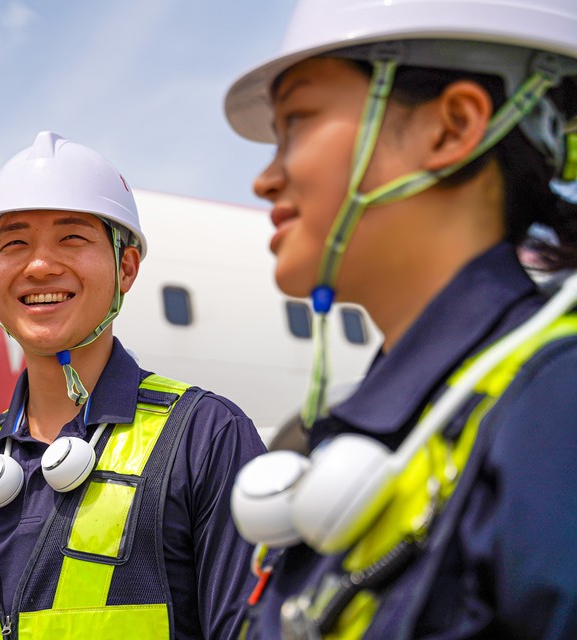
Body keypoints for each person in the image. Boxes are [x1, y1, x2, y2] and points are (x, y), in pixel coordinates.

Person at [222, 0, 577, 637]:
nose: (264, 179)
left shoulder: (557, 406)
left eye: (297, 121)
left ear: (452, 127)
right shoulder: (362, 434)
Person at [0, 131, 265, 639]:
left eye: (72, 238)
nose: (39, 266)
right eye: (14, 243)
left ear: (126, 267)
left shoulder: (205, 438)